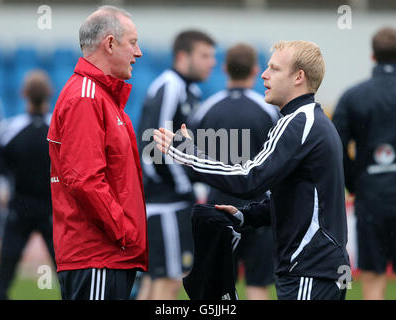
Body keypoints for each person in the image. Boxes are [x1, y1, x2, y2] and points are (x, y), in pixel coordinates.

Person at [154, 40, 351, 300]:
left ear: (298, 77)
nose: (264, 75)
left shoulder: (298, 122)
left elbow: (249, 179)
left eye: (274, 69)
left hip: (309, 268)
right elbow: (297, 197)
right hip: (315, 267)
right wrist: (246, 216)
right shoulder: (307, 120)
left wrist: (187, 153)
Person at [47, 5, 147, 300]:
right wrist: (125, 233)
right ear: (110, 43)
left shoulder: (100, 96)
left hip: (106, 256)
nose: (138, 52)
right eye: (133, 42)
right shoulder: (86, 98)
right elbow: (84, 180)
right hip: (99, 255)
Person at [189, 43, 279, 300]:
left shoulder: (205, 109)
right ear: (255, 70)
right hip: (259, 208)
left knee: (219, 287)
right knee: (258, 284)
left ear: (225, 68)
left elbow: (191, 159)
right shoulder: (269, 109)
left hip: (219, 207)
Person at [136, 30, 216, 300]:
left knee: (154, 282)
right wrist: (185, 187)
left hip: (169, 201)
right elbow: (151, 147)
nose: (211, 63)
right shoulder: (170, 85)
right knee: (170, 281)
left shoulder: (189, 90)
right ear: (183, 56)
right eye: (204, 55)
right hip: (165, 203)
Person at [332, 26, 396, 300]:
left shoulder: (353, 96)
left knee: (372, 281)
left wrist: (354, 182)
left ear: (372, 56)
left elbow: (336, 147)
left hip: (371, 197)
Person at [0, 70, 55, 299]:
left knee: (4, 276)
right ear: (50, 93)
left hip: (18, 209)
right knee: (67, 273)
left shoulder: (8, 130)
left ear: (23, 94)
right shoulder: (59, 130)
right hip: (52, 211)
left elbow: (0, 174)